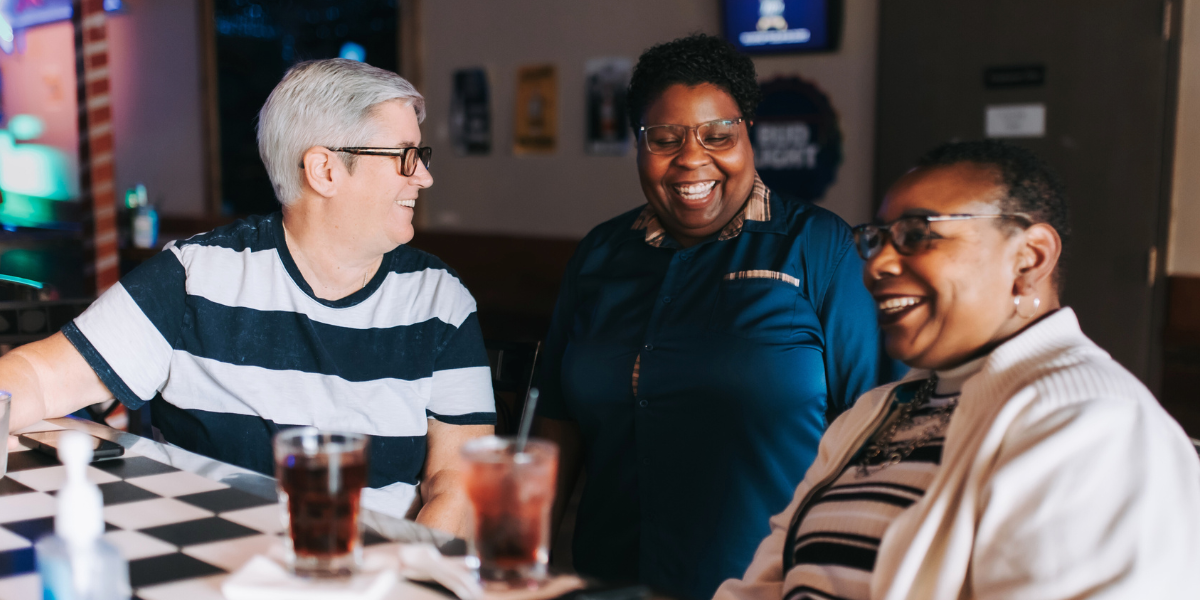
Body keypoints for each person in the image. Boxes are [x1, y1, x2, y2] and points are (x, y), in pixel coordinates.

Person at [0, 59, 495, 537]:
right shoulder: (196, 276)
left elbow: (461, 484)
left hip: (372, 573)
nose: (423, 177)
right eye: (404, 156)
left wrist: (410, 581)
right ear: (324, 170)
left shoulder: (440, 300)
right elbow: (37, 379)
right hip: (202, 565)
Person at [714, 140, 1200, 600]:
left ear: (1029, 259)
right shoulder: (875, 411)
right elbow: (764, 584)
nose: (878, 263)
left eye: (917, 235)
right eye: (877, 238)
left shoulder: (1094, 423)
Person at [535, 34, 902, 600]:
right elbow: (557, 428)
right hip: (610, 581)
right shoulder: (599, 255)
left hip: (768, 584)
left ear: (747, 134)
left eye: (718, 135)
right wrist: (523, 564)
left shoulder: (821, 248)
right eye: (665, 138)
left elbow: (879, 432)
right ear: (639, 144)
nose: (691, 157)